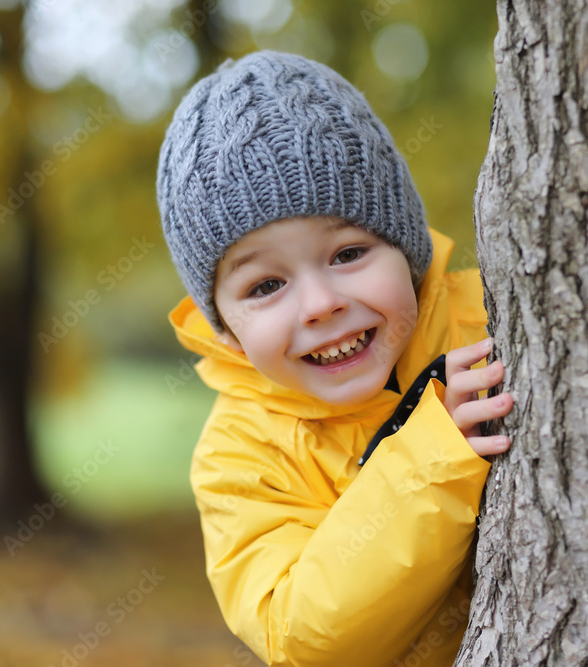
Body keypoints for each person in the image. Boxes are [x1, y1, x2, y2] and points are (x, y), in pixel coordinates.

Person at [157, 50, 514, 667]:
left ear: (406, 249)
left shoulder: (495, 320)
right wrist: (430, 455)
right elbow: (304, 639)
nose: (320, 305)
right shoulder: (242, 455)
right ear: (229, 334)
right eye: (266, 287)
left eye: (348, 253)